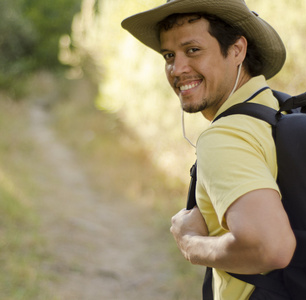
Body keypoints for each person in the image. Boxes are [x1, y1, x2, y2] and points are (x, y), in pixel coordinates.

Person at [122, 0, 296, 299]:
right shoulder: (280, 113)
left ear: (237, 50)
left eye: (193, 50)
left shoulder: (225, 136)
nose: (177, 69)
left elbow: (272, 248)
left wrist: (190, 243)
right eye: (169, 55)